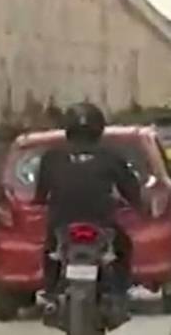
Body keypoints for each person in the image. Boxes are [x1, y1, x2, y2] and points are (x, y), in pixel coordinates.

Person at [33, 102, 142, 301]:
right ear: (99, 129)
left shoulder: (51, 157)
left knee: (50, 249)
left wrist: (39, 202)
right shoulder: (110, 156)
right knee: (123, 246)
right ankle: (120, 290)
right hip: (101, 220)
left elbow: (40, 194)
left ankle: (50, 290)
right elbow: (130, 188)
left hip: (61, 221)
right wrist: (139, 206)